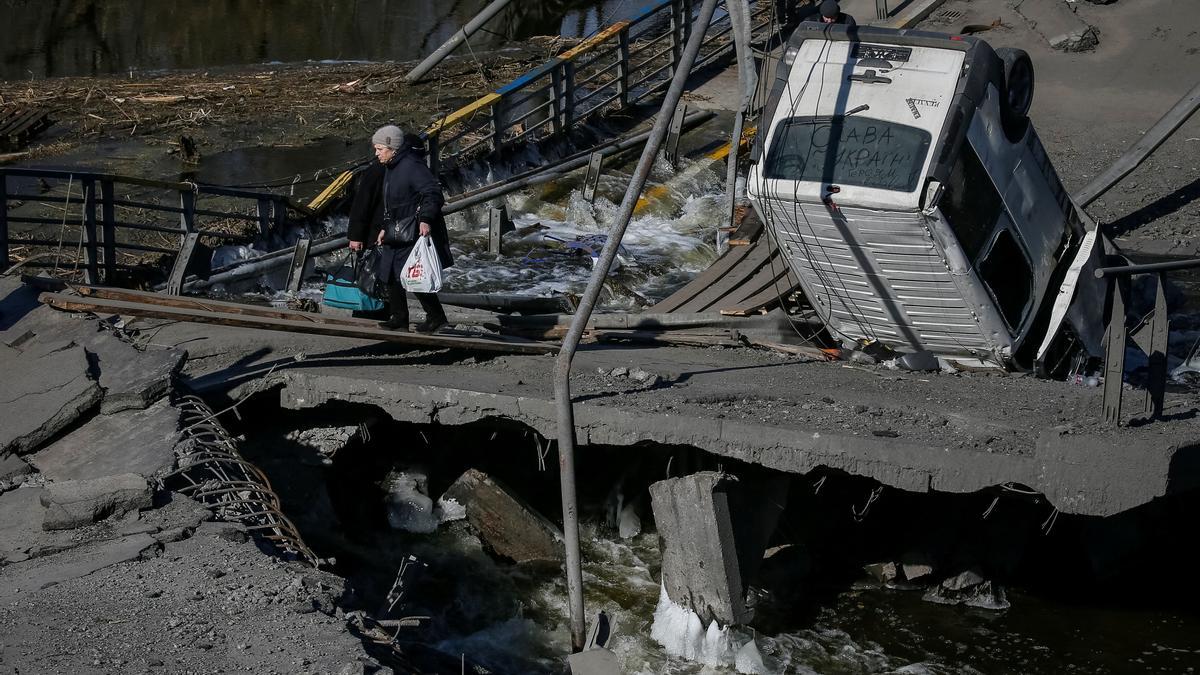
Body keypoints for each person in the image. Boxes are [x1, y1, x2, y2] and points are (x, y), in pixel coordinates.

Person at [348, 124, 453, 333]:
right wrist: (384, 228)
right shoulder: (391, 166)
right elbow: (390, 203)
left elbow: (432, 193)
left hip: (411, 230)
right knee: (389, 272)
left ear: (391, 147)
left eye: (379, 149)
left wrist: (425, 219)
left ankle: (436, 317)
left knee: (414, 276)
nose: (376, 153)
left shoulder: (412, 166)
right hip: (394, 229)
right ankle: (398, 317)